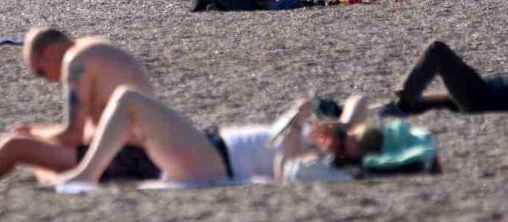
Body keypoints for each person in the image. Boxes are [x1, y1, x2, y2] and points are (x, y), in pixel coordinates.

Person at [0, 29, 160, 187]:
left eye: (42, 72)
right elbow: (94, 131)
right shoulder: (95, 48)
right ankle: (54, 177)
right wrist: (37, 133)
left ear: (52, 52)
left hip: (131, 158)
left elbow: (72, 137)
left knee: (15, 146)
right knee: (33, 152)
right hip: (146, 152)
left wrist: (30, 135)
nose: (50, 80)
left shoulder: (76, 61)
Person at [47, 91, 419, 189]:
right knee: (108, 138)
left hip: (216, 161)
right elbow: (360, 102)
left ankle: (84, 173)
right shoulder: (333, 141)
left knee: (129, 100)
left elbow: (284, 171)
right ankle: (75, 165)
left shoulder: (325, 167)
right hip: (210, 146)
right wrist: (341, 124)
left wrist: (295, 130)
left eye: (345, 142)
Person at [382, 40, 508, 115]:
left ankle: (404, 103)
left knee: (437, 50)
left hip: (479, 97)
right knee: (419, 103)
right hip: (481, 91)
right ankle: (398, 106)